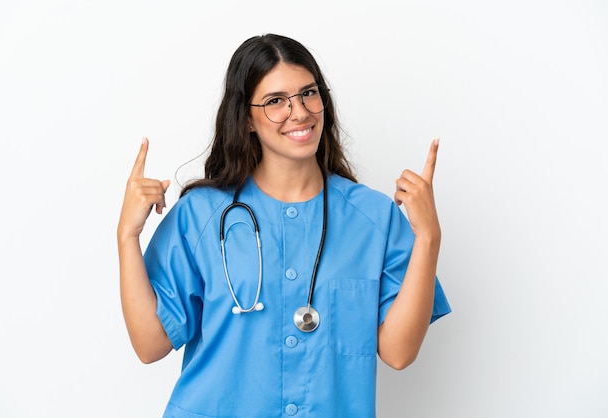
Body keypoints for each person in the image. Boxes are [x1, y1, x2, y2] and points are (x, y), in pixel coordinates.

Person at [117, 33, 451, 418]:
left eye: (309, 93)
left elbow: (398, 352)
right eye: (276, 101)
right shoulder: (201, 215)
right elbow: (149, 345)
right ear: (246, 119)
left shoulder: (373, 218)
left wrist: (428, 237)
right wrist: (127, 237)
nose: (300, 112)